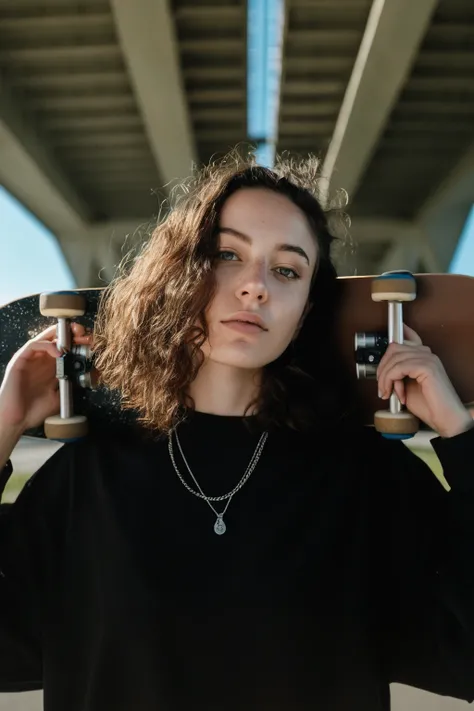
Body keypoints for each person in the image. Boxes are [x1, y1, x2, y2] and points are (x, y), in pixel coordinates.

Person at [0, 152, 473, 711]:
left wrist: (460, 436)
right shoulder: (84, 479)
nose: (255, 287)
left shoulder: (366, 479)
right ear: (179, 272)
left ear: (306, 309)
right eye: (227, 254)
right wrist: (4, 427)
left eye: (287, 270)